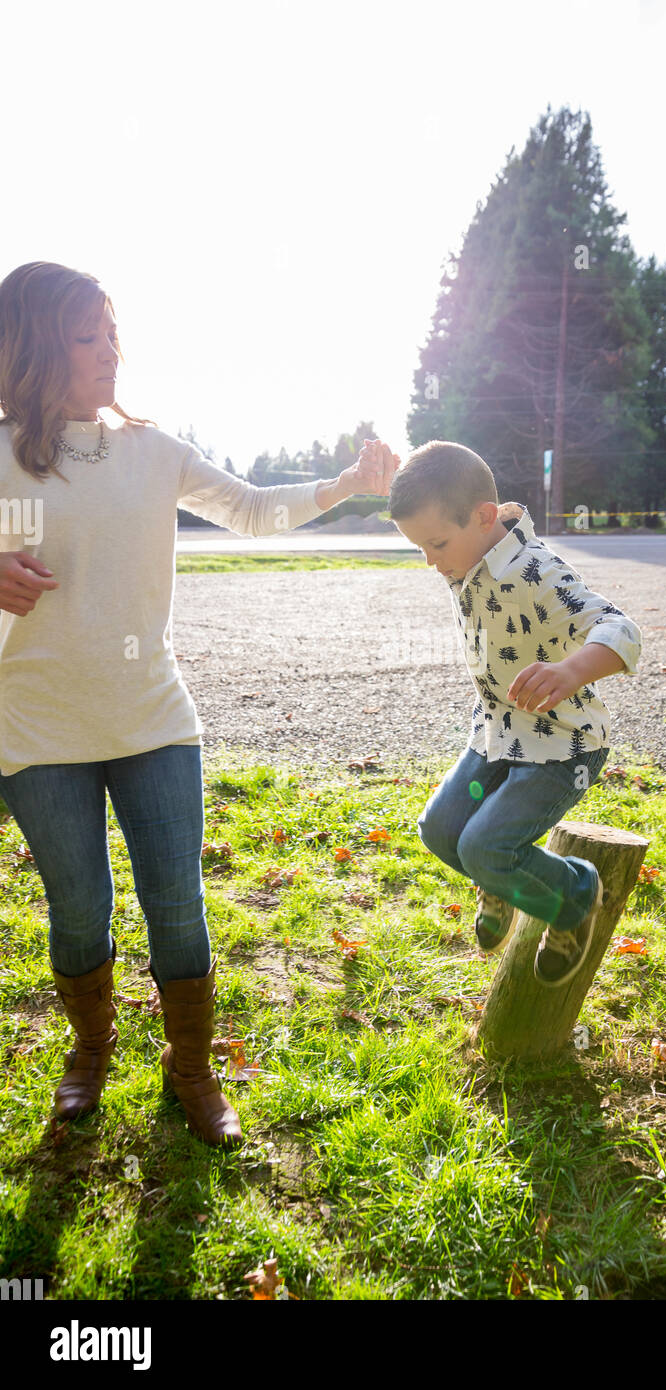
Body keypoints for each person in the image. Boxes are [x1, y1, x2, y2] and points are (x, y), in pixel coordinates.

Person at [0, 260, 398, 1147]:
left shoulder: (150, 450)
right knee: (78, 910)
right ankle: (91, 1050)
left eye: (112, 331)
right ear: (30, 345)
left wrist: (341, 486)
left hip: (152, 720)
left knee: (177, 903)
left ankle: (191, 1068)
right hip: (35, 728)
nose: (110, 350)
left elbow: (252, 508)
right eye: (85, 335)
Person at [387, 440, 642, 987]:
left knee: (485, 847)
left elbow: (622, 628)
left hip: (562, 746)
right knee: (440, 829)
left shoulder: (536, 571)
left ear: (482, 518)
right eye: (420, 548)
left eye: (436, 544)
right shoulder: (469, 548)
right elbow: (443, 484)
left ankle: (574, 897)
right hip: (497, 733)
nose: (432, 563)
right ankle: (501, 881)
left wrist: (571, 671)